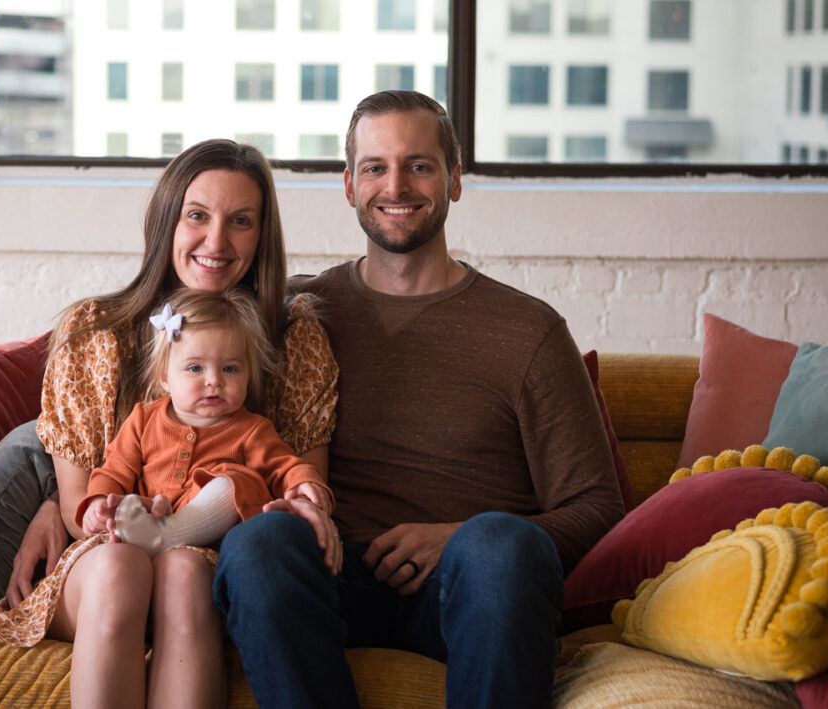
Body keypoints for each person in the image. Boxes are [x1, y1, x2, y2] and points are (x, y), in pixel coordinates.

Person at [211, 90, 626, 708]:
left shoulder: (528, 331)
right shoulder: (291, 314)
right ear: (349, 185)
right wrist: (57, 500)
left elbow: (598, 506)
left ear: (455, 180)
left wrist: (457, 539)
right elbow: (152, 383)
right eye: (375, 167)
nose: (396, 185)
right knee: (257, 544)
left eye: (420, 165)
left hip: (471, 593)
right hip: (328, 581)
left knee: (499, 547)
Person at [0, 138, 340, 709]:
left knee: (183, 574)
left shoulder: (293, 339)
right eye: (197, 216)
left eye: (241, 221)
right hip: (108, 553)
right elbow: (81, 502)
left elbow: (297, 499)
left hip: (213, 566)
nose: (216, 241)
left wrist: (302, 495)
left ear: (262, 237)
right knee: (119, 567)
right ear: (166, 223)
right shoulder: (95, 335)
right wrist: (90, 511)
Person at [0, 288, 337, 708]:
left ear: (249, 376)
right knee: (120, 552)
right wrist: (97, 508)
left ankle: (171, 534)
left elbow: (286, 466)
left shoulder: (252, 430)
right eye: (195, 367)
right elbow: (110, 475)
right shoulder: (143, 420)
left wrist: (307, 484)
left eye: (230, 368)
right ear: (165, 376)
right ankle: (153, 533)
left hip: (197, 555)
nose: (214, 381)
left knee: (232, 482)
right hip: (129, 538)